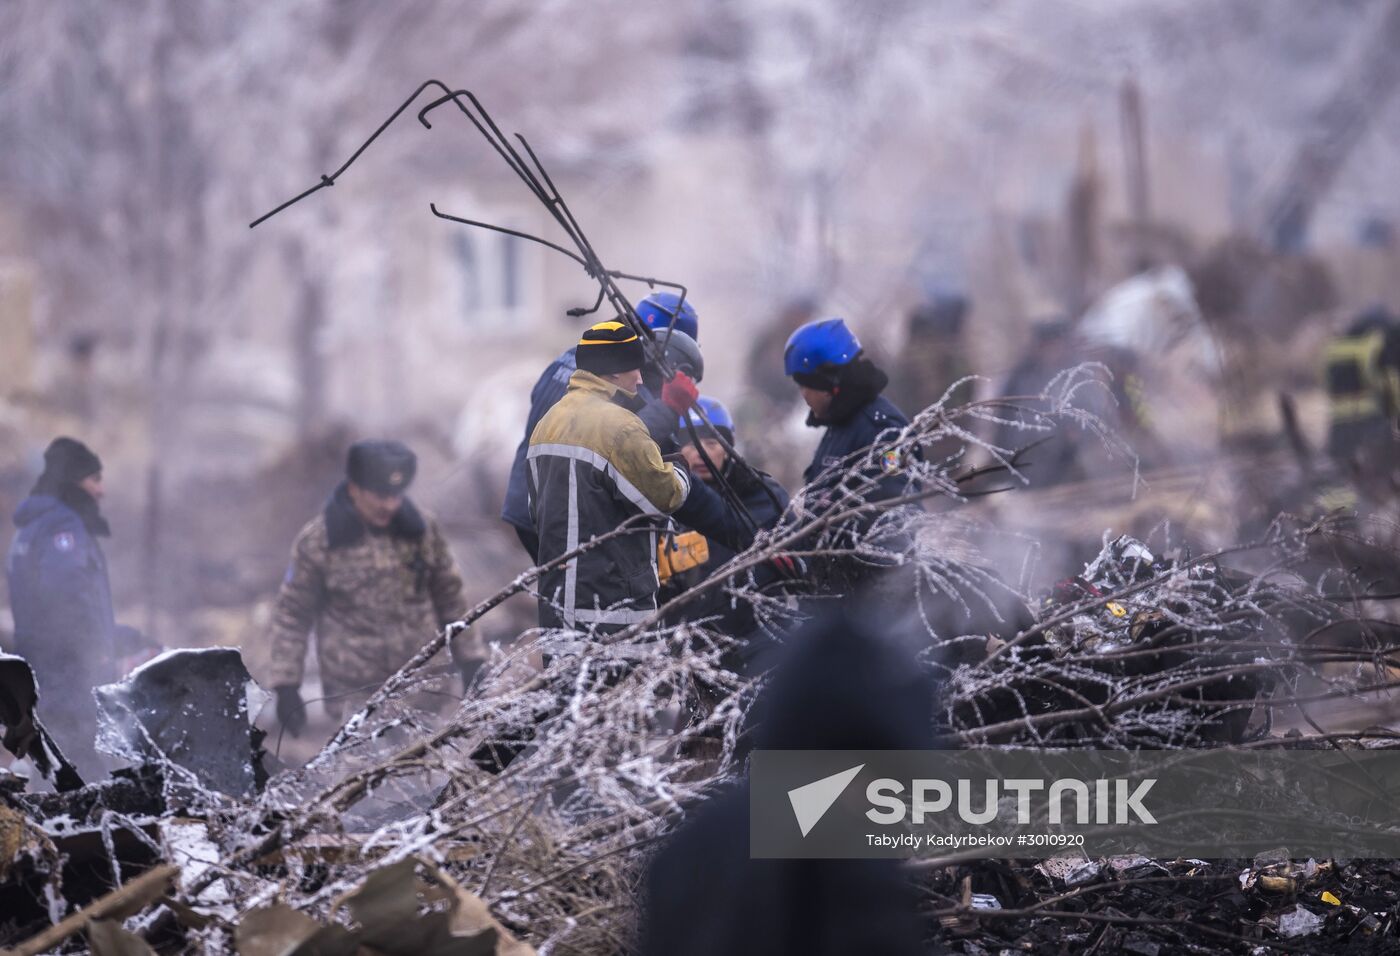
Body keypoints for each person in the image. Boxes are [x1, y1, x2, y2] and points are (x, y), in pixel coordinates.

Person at [527, 320, 750, 633]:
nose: (641, 377)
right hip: (611, 612)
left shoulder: (549, 422)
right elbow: (665, 496)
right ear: (615, 371)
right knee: (623, 685)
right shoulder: (621, 425)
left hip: (557, 610)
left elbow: (533, 508)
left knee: (571, 684)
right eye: (635, 367)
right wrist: (679, 467)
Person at [264, 439, 479, 736]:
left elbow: (451, 596)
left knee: (430, 777)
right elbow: (292, 615)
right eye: (380, 495)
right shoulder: (319, 542)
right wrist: (287, 684)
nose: (389, 505)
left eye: (396, 495)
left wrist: (471, 658)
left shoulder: (422, 532)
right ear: (354, 488)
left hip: (426, 690)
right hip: (355, 697)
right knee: (362, 778)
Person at [503, 291, 701, 562]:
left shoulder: (570, 359)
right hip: (566, 514)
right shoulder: (616, 381)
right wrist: (669, 408)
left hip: (529, 505)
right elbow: (621, 443)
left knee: (562, 593)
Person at [7, 437, 126, 778]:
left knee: (54, 769)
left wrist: (123, 637)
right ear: (73, 481)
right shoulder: (63, 527)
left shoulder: (28, 531)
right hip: (70, 677)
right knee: (84, 773)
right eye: (95, 479)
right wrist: (97, 652)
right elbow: (68, 598)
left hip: (43, 675)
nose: (101, 491)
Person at [661, 397, 790, 655]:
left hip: (755, 640)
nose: (701, 452)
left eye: (712, 443)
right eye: (690, 443)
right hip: (686, 645)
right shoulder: (661, 502)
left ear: (728, 448)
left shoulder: (761, 494)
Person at [784, 317, 913, 505]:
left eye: (804, 385)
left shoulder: (881, 431)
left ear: (827, 385)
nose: (803, 395)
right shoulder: (840, 426)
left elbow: (896, 513)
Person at [1324, 305, 1400, 472]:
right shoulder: (1375, 344)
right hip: (1370, 424)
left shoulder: (1335, 348)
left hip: (1338, 428)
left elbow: (1326, 384)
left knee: (1341, 479)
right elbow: (1384, 384)